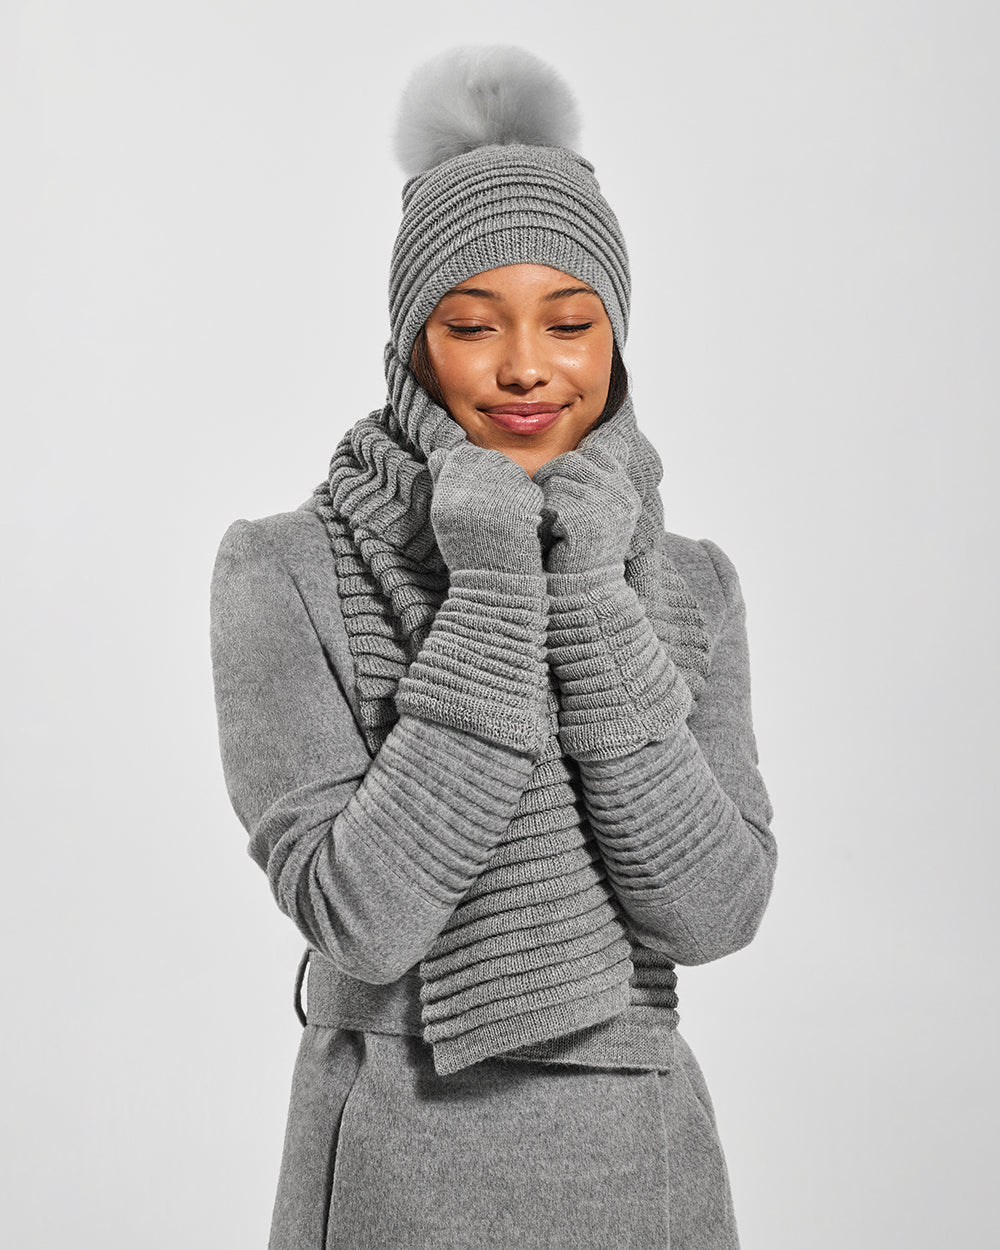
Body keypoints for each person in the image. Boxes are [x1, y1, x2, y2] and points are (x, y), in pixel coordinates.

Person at [210, 44, 777, 1250]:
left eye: (571, 322)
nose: (527, 366)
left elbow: (713, 908)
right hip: (392, 1164)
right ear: (412, 342)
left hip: (646, 1171)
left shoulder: (685, 584)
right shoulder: (285, 569)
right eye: (472, 324)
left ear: (615, 341)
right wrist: (493, 586)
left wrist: (583, 585)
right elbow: (361, 915)